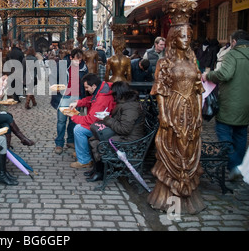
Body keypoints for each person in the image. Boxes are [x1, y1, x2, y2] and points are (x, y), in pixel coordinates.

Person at [147, 25, 204, 213]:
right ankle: (171, 190)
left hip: (191, 108)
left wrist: (199, 113)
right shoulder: (164, 62)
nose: (186, 39)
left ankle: (187, 187)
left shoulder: (192, 60)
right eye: (182, 36)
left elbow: (198, 90)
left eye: (189, 36)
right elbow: (160, 90)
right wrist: (162, 113)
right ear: (174, 39)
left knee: (190, 143)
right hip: (173, 106)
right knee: (173, 142)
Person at [202, 30, 249, 180]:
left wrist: (208, 75)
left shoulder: (233, 54)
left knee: (223, 131)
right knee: (241, 134)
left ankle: (234, 165)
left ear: (234, 42)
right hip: (246, 103)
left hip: (230, 102)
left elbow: (225, 74)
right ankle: (239, 166)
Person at [87, 81, 146, 182]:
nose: (112, 96)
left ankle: (100, 173)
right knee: (94, 138)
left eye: (113, 93)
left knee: (99, 143)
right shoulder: (126, 103)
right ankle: (97, 170)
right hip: (125, 135)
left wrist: (107, 119)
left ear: (119, 93)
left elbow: (124, 129)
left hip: (130, 140)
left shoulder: (130, 107)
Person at [68, 73, 115, 169]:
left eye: (87, 87)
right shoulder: (102, 90)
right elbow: (92, 99)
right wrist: (78, 102)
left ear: (94, 86)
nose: (86, 90)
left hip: (104, 126)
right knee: (80, 128)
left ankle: (85, 160)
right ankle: (82, 152)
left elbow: (90, 120)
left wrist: (74, 116)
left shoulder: (102, 98)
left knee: (79, 129)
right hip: (104, 122)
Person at [51, 48, 88, 154]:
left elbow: (86, 80)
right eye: (76, 59)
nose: (78, 62)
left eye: (80, 60)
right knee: (61, 122)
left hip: (77, 97)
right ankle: (59, 143)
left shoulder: (84, 67)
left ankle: (70, 140)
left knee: (74, 121)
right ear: (71, 57)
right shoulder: (62, 65)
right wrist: (56, 87)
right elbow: (53, 77)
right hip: (64, 97)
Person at [0, 75, 35, 148]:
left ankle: (7, 148)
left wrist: (5, 104)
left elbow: (2, 109)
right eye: (3, 80)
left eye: (6, 80)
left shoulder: (3, 91)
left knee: (6, 126)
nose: (5, 82)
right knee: (8, 117)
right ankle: (23, 138)